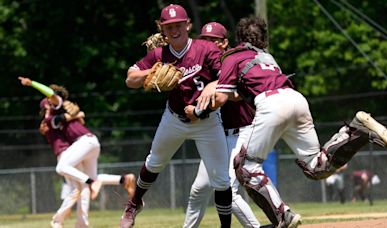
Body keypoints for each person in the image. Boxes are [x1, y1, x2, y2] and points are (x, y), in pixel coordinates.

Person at [209, 16, 387, 227]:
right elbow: (244, 91)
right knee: (316, 166)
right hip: (295, 98)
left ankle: (282, 216)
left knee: (245, 168)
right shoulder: (267, 57)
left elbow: (222, 97)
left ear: (238, 37)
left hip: (271, 104)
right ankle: (355, 132)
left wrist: (200, 108)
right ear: (263, 40)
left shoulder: (233, 56)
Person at [120, 4, 232, 228]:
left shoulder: (206, 49)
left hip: (206, 122)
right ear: (162, 29)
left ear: (188, 24)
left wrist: (212, 85)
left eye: (178, 25)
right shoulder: (159, 54)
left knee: (221, 179)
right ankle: (134, 204)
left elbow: (228, 76)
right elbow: (130, 79)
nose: (174, 30)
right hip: (174, 118)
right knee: (154, 162)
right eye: (169, 26)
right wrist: (150, 72)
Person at [183, 22, 271, 228]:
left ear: (224, 42)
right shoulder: (202, 65)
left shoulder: (233, 60)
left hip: (241, 131)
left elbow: (239, 94)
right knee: (199, 188)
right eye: (204, 40)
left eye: (213, 40)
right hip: (218, 136)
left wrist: (212, 93)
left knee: (227, 188)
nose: (208, 44)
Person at [20, 77, 136, 227]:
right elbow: (63, 116)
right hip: (86, 145)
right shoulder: (52, 119)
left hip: (78, 146)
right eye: (47, 104)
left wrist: (32, 83)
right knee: (83, 187)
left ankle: (59, 219)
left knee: (69, 175)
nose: (49, 103)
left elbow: (53, 97)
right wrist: (77, 114)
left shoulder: (56, 112)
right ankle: (82, 222)